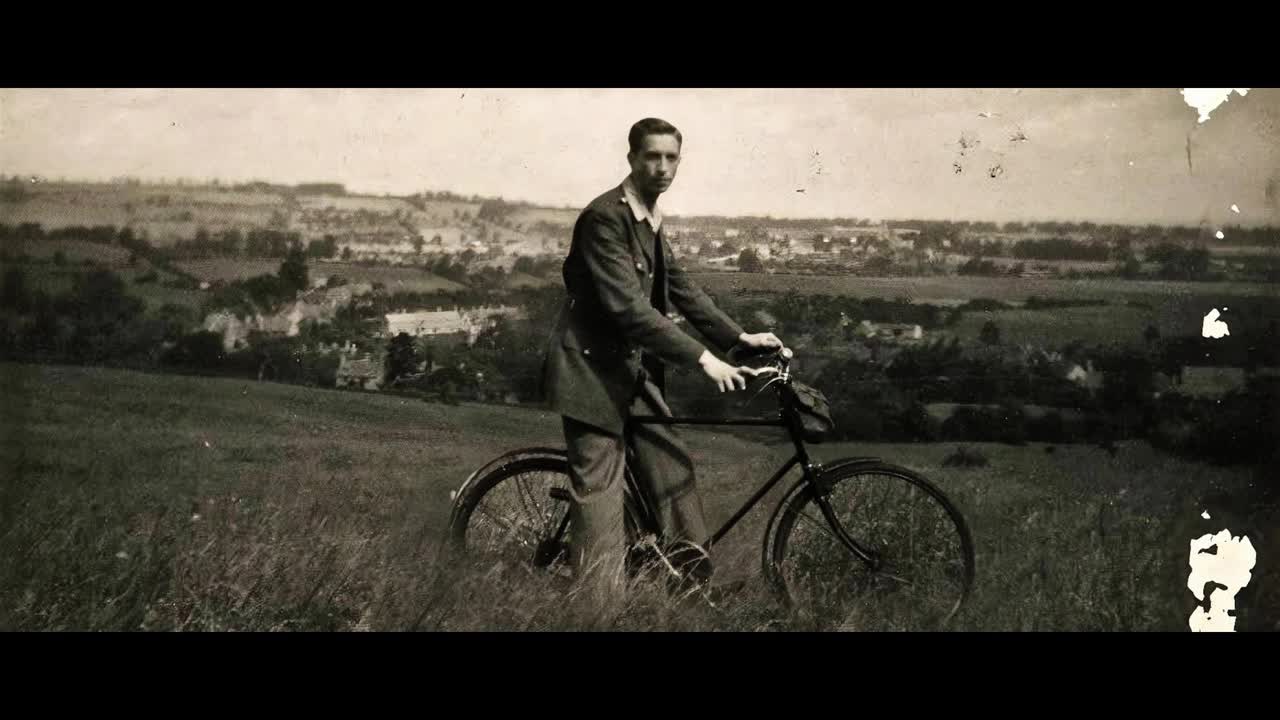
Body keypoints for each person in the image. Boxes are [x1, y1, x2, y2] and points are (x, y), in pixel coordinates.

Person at [539, 117, 783, 602]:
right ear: (631, 158)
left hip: (628, 371)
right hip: (589, 374)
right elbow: (628, 309)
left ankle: (692, 587)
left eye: (672, 158)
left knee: (672, 468)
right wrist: (703, 359)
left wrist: (737, 338)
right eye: (652, 156)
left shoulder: (648, 216)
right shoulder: (605, 218)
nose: (663, 167)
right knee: (601, 495)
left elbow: (680, 288)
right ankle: (597, 612)